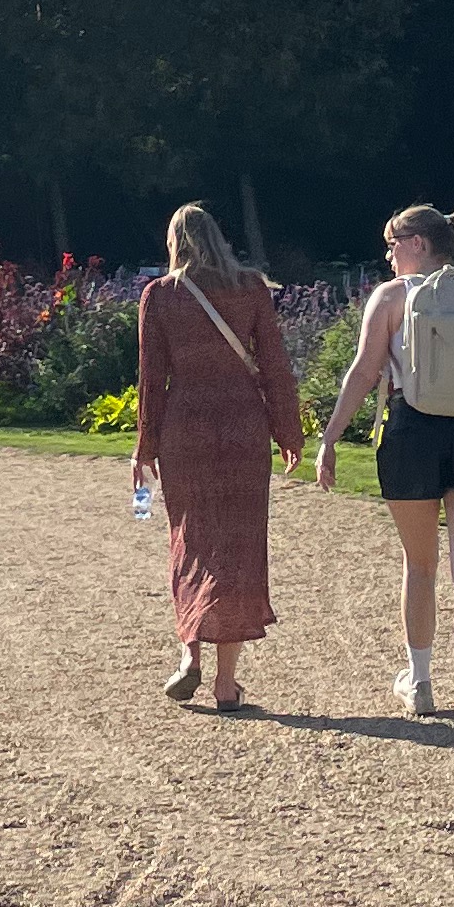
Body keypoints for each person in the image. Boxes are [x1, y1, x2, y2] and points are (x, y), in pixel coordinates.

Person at [313, 203, 454, 742]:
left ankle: (420, 682)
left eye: (393, 243)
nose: (388, 254)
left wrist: (330, 438)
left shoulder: (391, 297)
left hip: (412, 432)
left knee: (420, 565)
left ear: (418, 244)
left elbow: (364, 371)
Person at [129, 201, 303, 710]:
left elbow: (151, 379)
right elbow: (275, 366)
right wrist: (289, 434)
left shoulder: (161, 296)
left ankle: (190, 653)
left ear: (174, 243)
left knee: (191, 540)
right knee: (239, 548)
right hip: (244, 430)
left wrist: (144, 447)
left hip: (186, 430)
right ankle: (227, 683)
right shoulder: (250, 289)